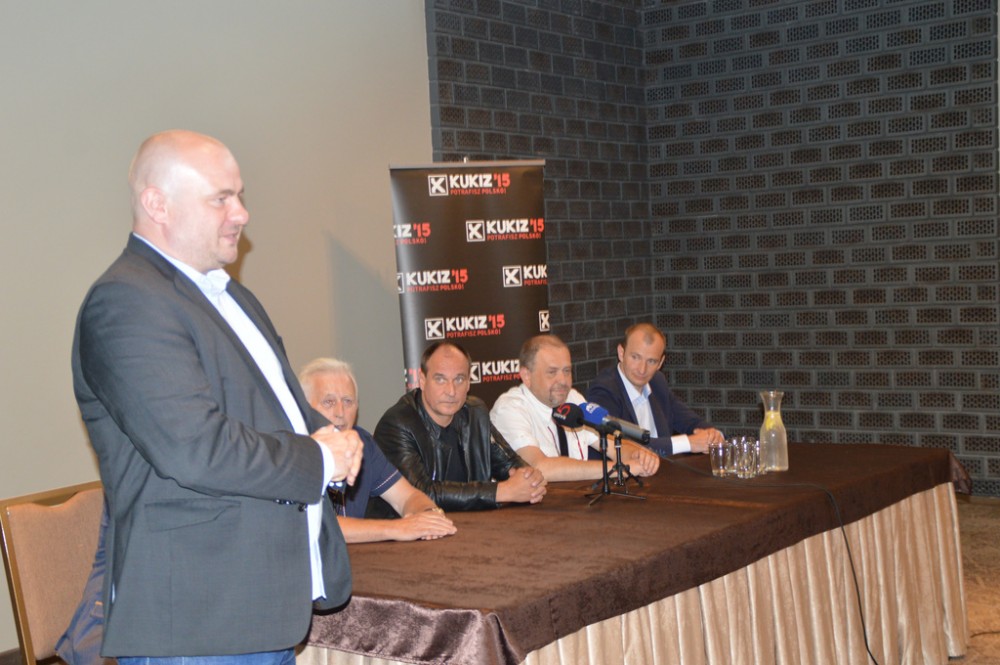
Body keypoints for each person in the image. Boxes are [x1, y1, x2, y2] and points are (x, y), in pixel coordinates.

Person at [71, 130, 363, 664]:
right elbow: (194, 447)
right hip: (199, 624)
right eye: (221, 198)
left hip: (261, 609)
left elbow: (277, 410)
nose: (242, 213)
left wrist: (334, 438)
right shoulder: (126, 301)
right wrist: (320, 458)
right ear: (157, 204)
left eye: (240, 195)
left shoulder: (233, 297)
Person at [372, 341, 547, 512]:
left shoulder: (475, 413)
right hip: (410, 529)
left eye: (459, 379)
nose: (451, 391)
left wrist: (530, 479)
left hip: (473, 526)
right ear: (422, 380)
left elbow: (510, 464)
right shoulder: (397, 424)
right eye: (440, 379)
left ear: (469, 383)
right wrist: (501, 492)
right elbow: (420, 494)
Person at [298, 358, 456, 542]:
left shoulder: (363, 444)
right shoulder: (293, 452)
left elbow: (407, 497)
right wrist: (396, 529)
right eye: (328, 402)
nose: (340, 412)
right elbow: (317, 526)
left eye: (348, 401)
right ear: (303, 408)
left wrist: (430, 515)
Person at [491, 334, 660, 481]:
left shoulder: (573, 398)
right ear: (527, 376)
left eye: (567, 371)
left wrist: (638, 456)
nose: (563, 381)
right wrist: (619, 469)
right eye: (552, 372)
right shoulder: (509, 408)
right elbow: (538, 467)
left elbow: (611, 445)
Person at [586, 322, 725, 455]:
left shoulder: (657, 382)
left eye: (651, 361)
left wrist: (712, 435)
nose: (642, 369)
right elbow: (623, 447)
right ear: (621, 353)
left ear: (661, 363)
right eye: (636, 357)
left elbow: (690, 421)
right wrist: (688, 443)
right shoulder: (604, 390)